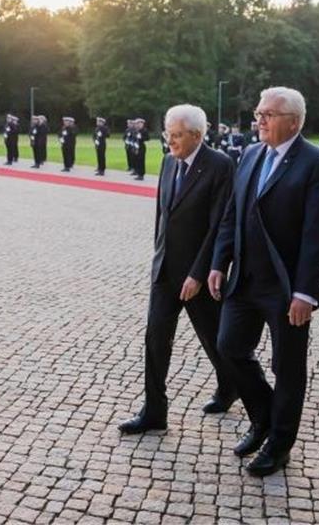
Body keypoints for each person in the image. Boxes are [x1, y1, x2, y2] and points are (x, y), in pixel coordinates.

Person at [208, 86, 319, 477]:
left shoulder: (317, 164)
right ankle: (263, 417)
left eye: (269, 114)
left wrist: (305, 292)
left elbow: (317, 235)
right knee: (229, 347)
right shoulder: (248, 154)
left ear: (293, 121)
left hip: (286, 289)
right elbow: (233, 214)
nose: (259, 119)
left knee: (288, 368)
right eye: (259, 113)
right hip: (244, 280)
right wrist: (218, 263)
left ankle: (279, 445)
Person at [119, 104, 238, 435]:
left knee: (214, 339)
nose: (169, 141)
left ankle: (230, 385)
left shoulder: (220, 165)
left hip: (196, 275)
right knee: (156, 338)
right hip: (166, 271)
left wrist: (199, 273)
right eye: (166, 133)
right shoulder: (168, 161)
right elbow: (163, 216)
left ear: (197, 136)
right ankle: (154, 411)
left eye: (175, 135)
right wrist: (158, 257)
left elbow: (218, 225)